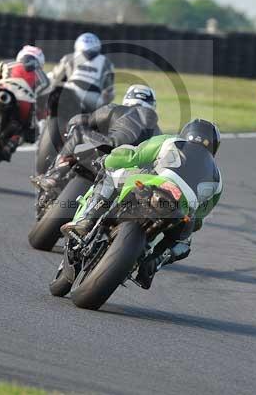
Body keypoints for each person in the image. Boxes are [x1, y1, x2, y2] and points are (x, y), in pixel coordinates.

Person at [61, 119, 223, 289]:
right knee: (183, 244)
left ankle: (86, 219)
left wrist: (108, 160)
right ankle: (151, 265)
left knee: (112, 175)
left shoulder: (171, 142)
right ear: (214, 146)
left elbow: (134, 156)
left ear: (186, 132)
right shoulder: (218, 178)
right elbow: (199, 218)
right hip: (180, 212)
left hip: (149, 185)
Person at [31, 84, 160, 196]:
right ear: (152, 105)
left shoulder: (118, 109)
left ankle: (54, 174)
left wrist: (72, 123)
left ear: (128, 98)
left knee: (79, 131)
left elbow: (86, 120)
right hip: (132, 163)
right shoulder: (156, 128)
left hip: (110, 147)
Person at [49, 32, 115, 112]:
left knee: (50, 82)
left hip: (72, 92)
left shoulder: (70, 57)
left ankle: (44, 119)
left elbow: (55, 77)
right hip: (94, 99)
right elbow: (109, 92)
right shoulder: (107, 62)